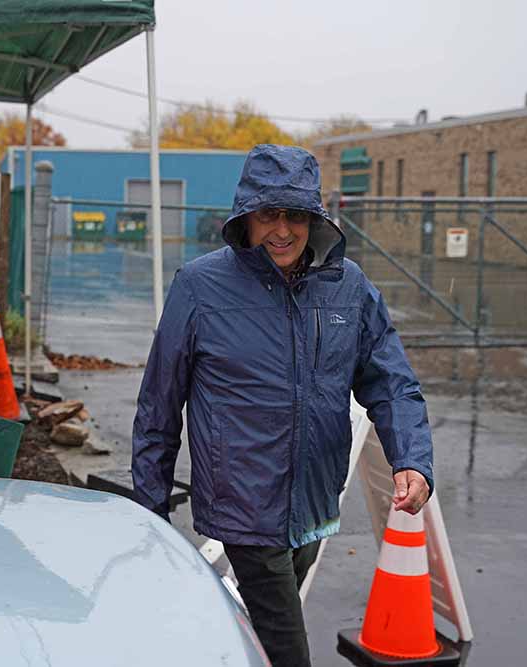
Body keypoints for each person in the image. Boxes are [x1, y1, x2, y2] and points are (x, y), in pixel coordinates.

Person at [132, 144, 433, 667]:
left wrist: (412, 459)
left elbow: (391, 381)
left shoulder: (348, 289)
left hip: (314, 505)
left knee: (259, 634)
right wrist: (150, 514)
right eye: (269, 214)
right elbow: (158, 407)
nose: (283, 230)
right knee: (289, 651)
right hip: (243, 505)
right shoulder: (200, 288)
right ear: (245, 218)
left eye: (296, 214)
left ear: (315, 219)